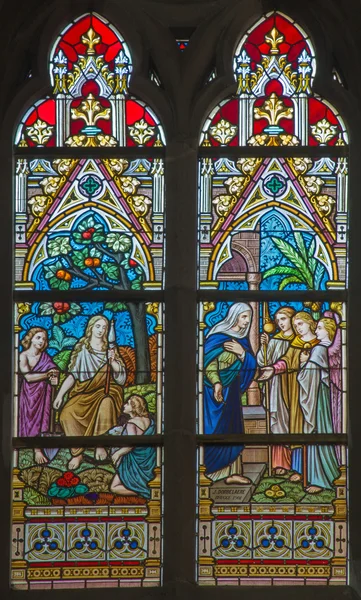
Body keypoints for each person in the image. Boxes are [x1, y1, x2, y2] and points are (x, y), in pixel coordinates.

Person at [53, 315, 125, 469]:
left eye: (104, 327)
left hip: (107, 391)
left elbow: (121, 378)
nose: (101, 330)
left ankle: (100, 443)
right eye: (98, 326)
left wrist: (112, 363)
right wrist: (60, 395)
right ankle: (77, 453)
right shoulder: (82, 348)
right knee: (67, 412)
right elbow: (73, 375)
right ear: (90, 328)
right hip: (84, 391)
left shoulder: (110, 349)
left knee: (106, 403)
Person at [259, 311, 319, 482]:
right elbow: (286, 360)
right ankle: (297, 468)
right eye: (296, 325)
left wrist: (305, 363)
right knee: (294, 424)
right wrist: (273, 369)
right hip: (291, 388)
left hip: (310, 390)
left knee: (304, 425)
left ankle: (310, 471)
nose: (297, 328)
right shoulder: (296, 343)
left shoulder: (320, 343)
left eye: (299, 324)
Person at [203, 302, 257, 484]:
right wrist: (217, 383)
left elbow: (250, 365)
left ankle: (232, 472)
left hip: (232, 391)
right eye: (244, 316)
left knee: (233, 429)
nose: (247, 320)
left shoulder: (242, 340)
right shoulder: (217, 337)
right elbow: (207, 362)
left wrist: (243, 354)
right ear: (234, 316)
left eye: (249, 317)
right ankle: (207, 472)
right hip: (212, 392)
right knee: (212, 429)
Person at [297, 317, 340, 493]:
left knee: (318, 431)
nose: (316, 331)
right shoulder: (326, 349)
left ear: (329, 330)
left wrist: (302, 363)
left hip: (318, 398)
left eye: (320, 328)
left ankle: (320, 479)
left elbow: (307, 376)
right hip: (322, 396)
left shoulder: (319, 349)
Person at [257, 307, 296, 475]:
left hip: (295, 386)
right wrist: (263, 346)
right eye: (278, 320)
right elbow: (262, 361)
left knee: (294, 422)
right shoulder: (275, 340)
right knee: (279, 422)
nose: (280, 323)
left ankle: (297, 465)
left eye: (284, 319)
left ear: (292, 319)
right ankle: (280, 464)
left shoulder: (300, 340)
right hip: (277, 387)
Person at [19, 327, 59, 464]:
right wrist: (47, 374)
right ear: (30, 338)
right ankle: (34, 450)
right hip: (29, 394)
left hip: (43, 394)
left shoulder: (45, 357)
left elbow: (54, 370)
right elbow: (28, 377)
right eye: (38, 337)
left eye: (44, 339)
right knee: (30, 419)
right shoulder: (23, 355)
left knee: (42, 420)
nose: (41, 341)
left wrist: (54, 375)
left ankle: (39, 449)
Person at [110, 395, 156, 498]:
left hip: (133, 462)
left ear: (134, 407)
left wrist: (118, 453)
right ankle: (145, 491)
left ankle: (143, 492)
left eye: (128, 403)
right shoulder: (149, 421)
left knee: (114, 487)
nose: (124, 405)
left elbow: (131, 444)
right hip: (148, 461)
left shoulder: (131, 423)